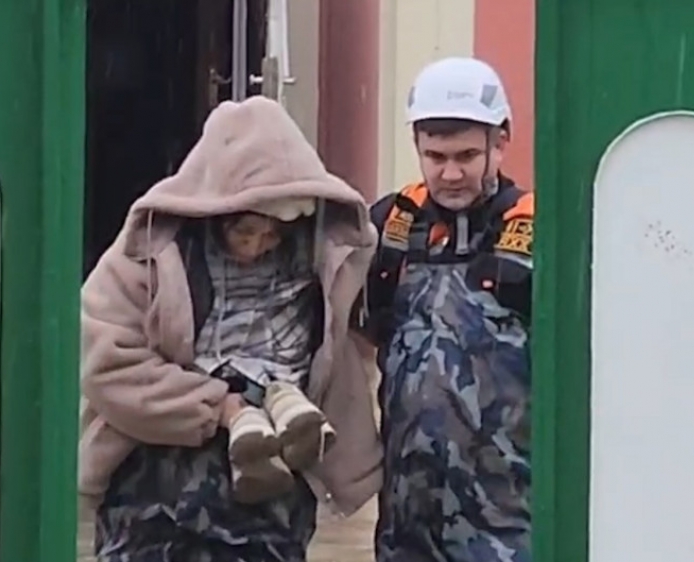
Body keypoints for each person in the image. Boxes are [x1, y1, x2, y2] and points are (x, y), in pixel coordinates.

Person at [79, 96, 382, 562]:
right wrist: (218, 406)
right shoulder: (151, 257)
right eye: (244, 232)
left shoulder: (316, 269)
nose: (257, 247)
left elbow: (334, 364)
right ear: (214, 214)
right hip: (155, 490)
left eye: (273, 235)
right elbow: (105, 364)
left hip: (270, 495)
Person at [353, 57, 535, 561]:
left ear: (501, 141)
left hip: (507, 518)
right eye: (434, 156)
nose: (450, 174)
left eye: (467, 156)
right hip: (407, 519)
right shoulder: (389, 225)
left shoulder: (537, 229)